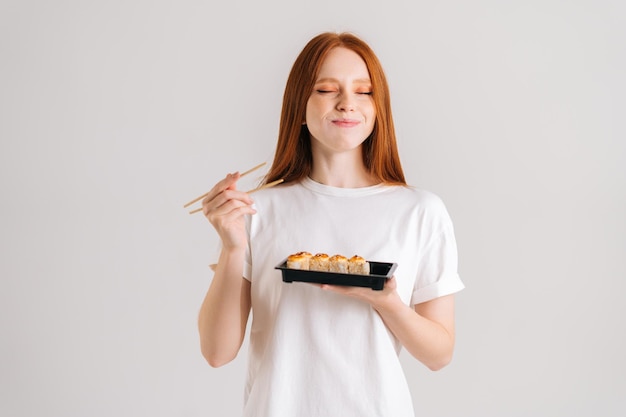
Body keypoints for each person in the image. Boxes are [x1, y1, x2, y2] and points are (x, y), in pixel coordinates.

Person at [197, 31, 464, 417]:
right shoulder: (256, 211)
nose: (346, 104)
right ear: (298, 106)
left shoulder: (421, 211)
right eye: (326, 89)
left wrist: (389, 304)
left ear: (379, 107)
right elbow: (217, 352)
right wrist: (233, 247)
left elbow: (440, 354)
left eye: (363, 91)